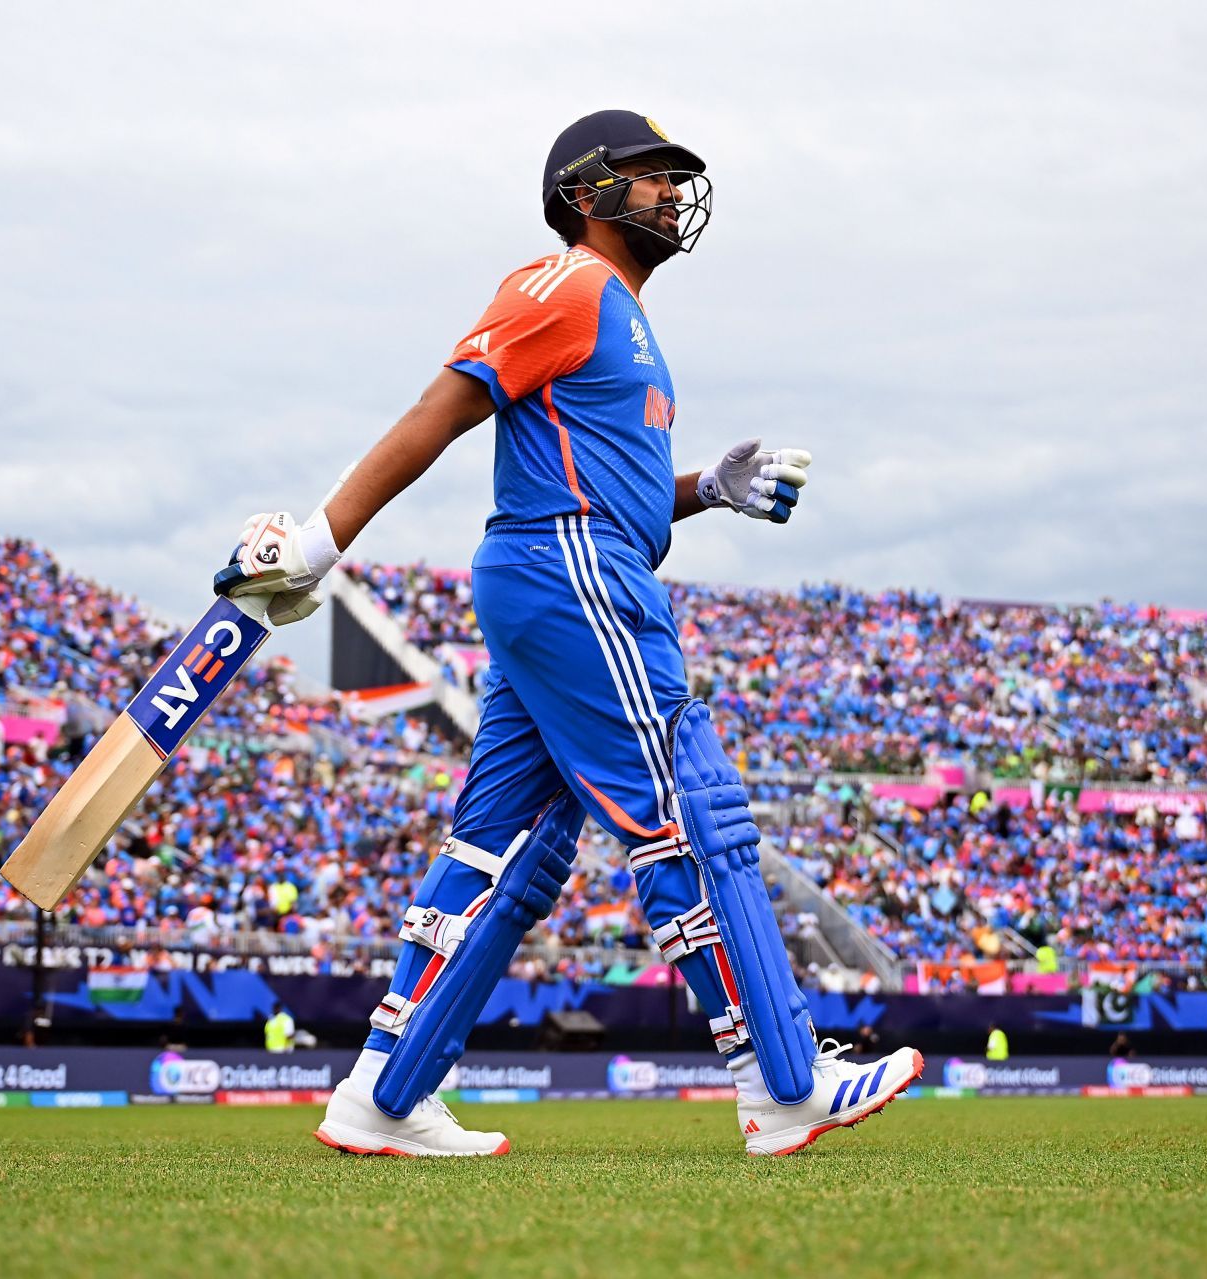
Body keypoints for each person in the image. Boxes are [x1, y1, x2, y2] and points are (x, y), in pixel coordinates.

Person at [219, 110, 920, 1157]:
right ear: (584, 191)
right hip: (574, 571)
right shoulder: (568, 285)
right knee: (690, 808)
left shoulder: (625, 317)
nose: (672, 192)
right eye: (649, 175)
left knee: (506, 849)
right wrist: (323, 539)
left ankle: (385, 1091)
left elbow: (611, 483)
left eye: (675, 177)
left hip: (569, 568)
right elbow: (443, 408)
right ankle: (783, 1082)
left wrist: (706, 491)